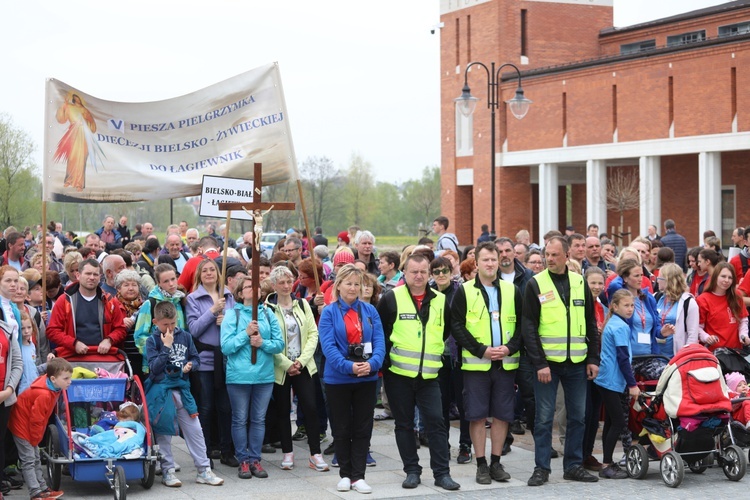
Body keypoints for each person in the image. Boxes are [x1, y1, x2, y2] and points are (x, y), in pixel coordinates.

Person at [377, 254, 460, 491]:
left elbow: (444, 333)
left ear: (430, 274)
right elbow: (382, 334)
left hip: (430, 376)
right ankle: (412, 471)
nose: (419, 276)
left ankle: (442, 473)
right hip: (399, 375)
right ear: (405, 272)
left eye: (424, 271)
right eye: (414, 271)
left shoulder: (441, 301)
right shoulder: (391, 298)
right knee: (404, 425)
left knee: (436, 423)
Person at [522, 236, 600, 486]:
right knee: (544, 418)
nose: (550, 259)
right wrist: (540, 363)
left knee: (578, 417)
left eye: (555, 254)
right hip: (548, 364)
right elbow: (529, 327)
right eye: (548, 254)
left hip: (577, 363)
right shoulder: (536, 283)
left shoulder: (579, 282)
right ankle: (541, 468)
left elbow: (590, 323)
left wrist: (593, 358)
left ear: (567, 255)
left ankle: (573, 466)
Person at [451, 242, 522, 485]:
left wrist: (510, 347)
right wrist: (481, 350)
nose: (490, 263)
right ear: (477, 263)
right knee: (477, 416)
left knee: (503, 415)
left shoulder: (512, 290)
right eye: (486, 260)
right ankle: (481, 465)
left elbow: (524, 325)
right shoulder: (465, 290)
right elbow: (457, 326)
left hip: (505, 364)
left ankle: (496, 462)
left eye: (494, 259)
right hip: (476, 366)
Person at [318, 265, 385, 494]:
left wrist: (372, 364)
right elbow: (328, 347)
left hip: (366, 378)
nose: (353, 288)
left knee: (362, 427)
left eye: (357, 284)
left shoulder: (369, 311)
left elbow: (379, 342)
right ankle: (345, 474)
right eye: (349, 283)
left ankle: (359, 476)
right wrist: (349, 367)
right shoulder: (329, 312)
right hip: (339, 379)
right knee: (341, 427)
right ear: (339, 285)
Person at [145, 301, 224, 487]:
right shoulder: (152, 340)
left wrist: (192, 365)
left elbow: (195, 358)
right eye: (165, 324)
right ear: (156, 322)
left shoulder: (186, 336)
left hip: (183, 390)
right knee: (163, 432)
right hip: (161, 392)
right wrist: (166, 347)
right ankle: (168, 471)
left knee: (195, 430)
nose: (170, 328)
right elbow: (154, 369)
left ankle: (204, 470)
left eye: (172, 323)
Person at [265, 266, 328, 472]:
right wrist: (286, 363)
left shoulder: (302, 304)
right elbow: (267, 340)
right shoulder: (266, 309)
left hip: (304, 365)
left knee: (310, 407)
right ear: (273, 285)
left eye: (288, 281)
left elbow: (312, 334)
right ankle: (288, 453)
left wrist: (301, 361)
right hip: (281, 367)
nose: (285, 286)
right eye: (281, 282)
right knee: (283, 410)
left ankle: (315, 453)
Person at [221, 274, 284, 479]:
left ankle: (255, 459)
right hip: (239, 377)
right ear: (240, 293)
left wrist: (262, 343)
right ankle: (243, 460)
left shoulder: (268, 314)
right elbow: (227, 347)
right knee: (239, 419)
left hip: (263, 376)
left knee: (258, 419)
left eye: (255, 285)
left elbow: (279, 344)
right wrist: (245, 334)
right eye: (248, 286)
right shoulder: (233, 315)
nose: (253, 289)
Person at [186, 258, 236, 466]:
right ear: (199, 275)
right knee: (206, 408)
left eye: (212, 270)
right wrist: (212, 311)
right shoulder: (193, 299)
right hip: (205, 361)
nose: (209, 273)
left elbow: (237, 324)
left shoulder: (228, 295)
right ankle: (205, 452)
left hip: (226, 359)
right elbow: (194, 329)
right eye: (204, 270)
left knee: (226, 407)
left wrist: (227, 320)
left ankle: (227, 451)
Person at [9, 358, 72, 500]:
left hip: (28, 424)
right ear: (54, 379)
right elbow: (36, 420)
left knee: (35, 456)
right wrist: (35, 439)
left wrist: (35, 439)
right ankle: (35, 492)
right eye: (66, 378)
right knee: (29, 459)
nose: (70, 381)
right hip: (22, 425)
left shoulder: (52, 387)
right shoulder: (44, 394)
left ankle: (43, 488)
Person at [594, 290, 639, 479]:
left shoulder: (614, 322)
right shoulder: (620, 326)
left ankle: (608, 461)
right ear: (614, 306)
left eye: (632, 305)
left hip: (607, 379)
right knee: (618, 422)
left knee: (612, 422)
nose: (630, 309)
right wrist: (632, 384)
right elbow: (622, 358)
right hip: (612, 380)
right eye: (626, 305)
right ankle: (606, 464)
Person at [46, 259, 126, 358]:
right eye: (88, 274)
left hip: (104, 359)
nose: (92, 277)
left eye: (95, 274)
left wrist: (109, 340)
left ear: (100, 277)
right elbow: (52, 331)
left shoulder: (110, 301)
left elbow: (121, 329)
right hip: (72, 358)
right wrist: (73, 343)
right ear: (78, 275)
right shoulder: (64, 301)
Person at [133, 264, 188, 374]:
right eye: (166, 281)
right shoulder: (150, 304)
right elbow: (140, 337)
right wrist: (160, 354)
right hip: (156, 368)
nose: (171, 284)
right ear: (158, 283)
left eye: (173, 279)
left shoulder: (180, 301)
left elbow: (185, 332)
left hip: (179, 366)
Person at [0, 266, 23, 495]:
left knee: (7, 425)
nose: (14, 285)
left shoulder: (13, 307)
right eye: (8, 280)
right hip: (3, 366)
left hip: (12, 367)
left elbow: (16, 340)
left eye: (16, 280)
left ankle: (5, 468)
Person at [698, 263, 750, 351]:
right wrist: (707, 338)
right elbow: (697, 328)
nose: (727, 280)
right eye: (723, 276)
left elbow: (743, 320)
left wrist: (744, 335)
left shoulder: (737, 296)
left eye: (730, 278)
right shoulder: (703, 299)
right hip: (713, 353)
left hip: (735, 352)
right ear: (715, 277)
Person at [53, 93, 97, 191]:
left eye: (78, 99)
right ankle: (69, 180)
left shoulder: (85, 111)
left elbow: (93, 126)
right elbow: (61, 120)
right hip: (73, 134)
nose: (77, 100)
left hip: (83, 136)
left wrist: (84, 123)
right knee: (72, 157)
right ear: (73, 100)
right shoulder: (69, 107)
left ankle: (79, 184)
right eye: (75, 98)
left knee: (81, 159)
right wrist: (63, 106)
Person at [655, 263, 699, 356]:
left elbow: (693, 335)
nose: (657, 281)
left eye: (660, 278)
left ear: (669, 281)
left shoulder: (688, 302)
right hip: (655, 355)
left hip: (676, 357)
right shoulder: (656, 297)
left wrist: (685, 358)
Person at [114, 270, 144, 380]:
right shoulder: (112, 305)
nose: (131, 288)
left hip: (142, 356)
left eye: (134, 285)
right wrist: (121, 322)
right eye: (126, 285)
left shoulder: (145, 305)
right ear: (118, 289)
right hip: (122, 356)